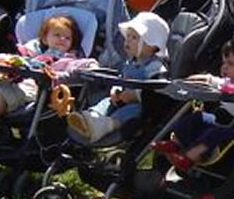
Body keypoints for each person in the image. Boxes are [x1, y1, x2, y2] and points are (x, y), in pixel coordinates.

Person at [151, 35, 234, 171]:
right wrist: (188, 81)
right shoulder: (231, 81)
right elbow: (210, 80)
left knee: (213, 133)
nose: (224, 68)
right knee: (192, 118)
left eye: (231, 64)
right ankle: (175, 144)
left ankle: (190, 157)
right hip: (220, 119)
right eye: (224, 63)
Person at [0, 14, 82, 142]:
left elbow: (81, 68)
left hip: (35, 90)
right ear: (45, 39)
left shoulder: (68, 59)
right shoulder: (33, 53)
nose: (62, 39)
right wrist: (4, 60)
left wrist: (58, 73)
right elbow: (10, 57)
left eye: (67, 38)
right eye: (57, 35)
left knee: (5, 92)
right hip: (12, 82)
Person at [67, 12, 171, 141]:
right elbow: (122, 78)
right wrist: (115, 90)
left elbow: (157, 90)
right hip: (120, 99)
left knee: (132, 111)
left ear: (152, 45)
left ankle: (105, 126)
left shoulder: (154, 66)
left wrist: (135, 95)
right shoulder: (130, 62)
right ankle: (91, 117)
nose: (127, 41)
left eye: (134, 37)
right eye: (127, 36)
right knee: (105, 102)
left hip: (138, 105)